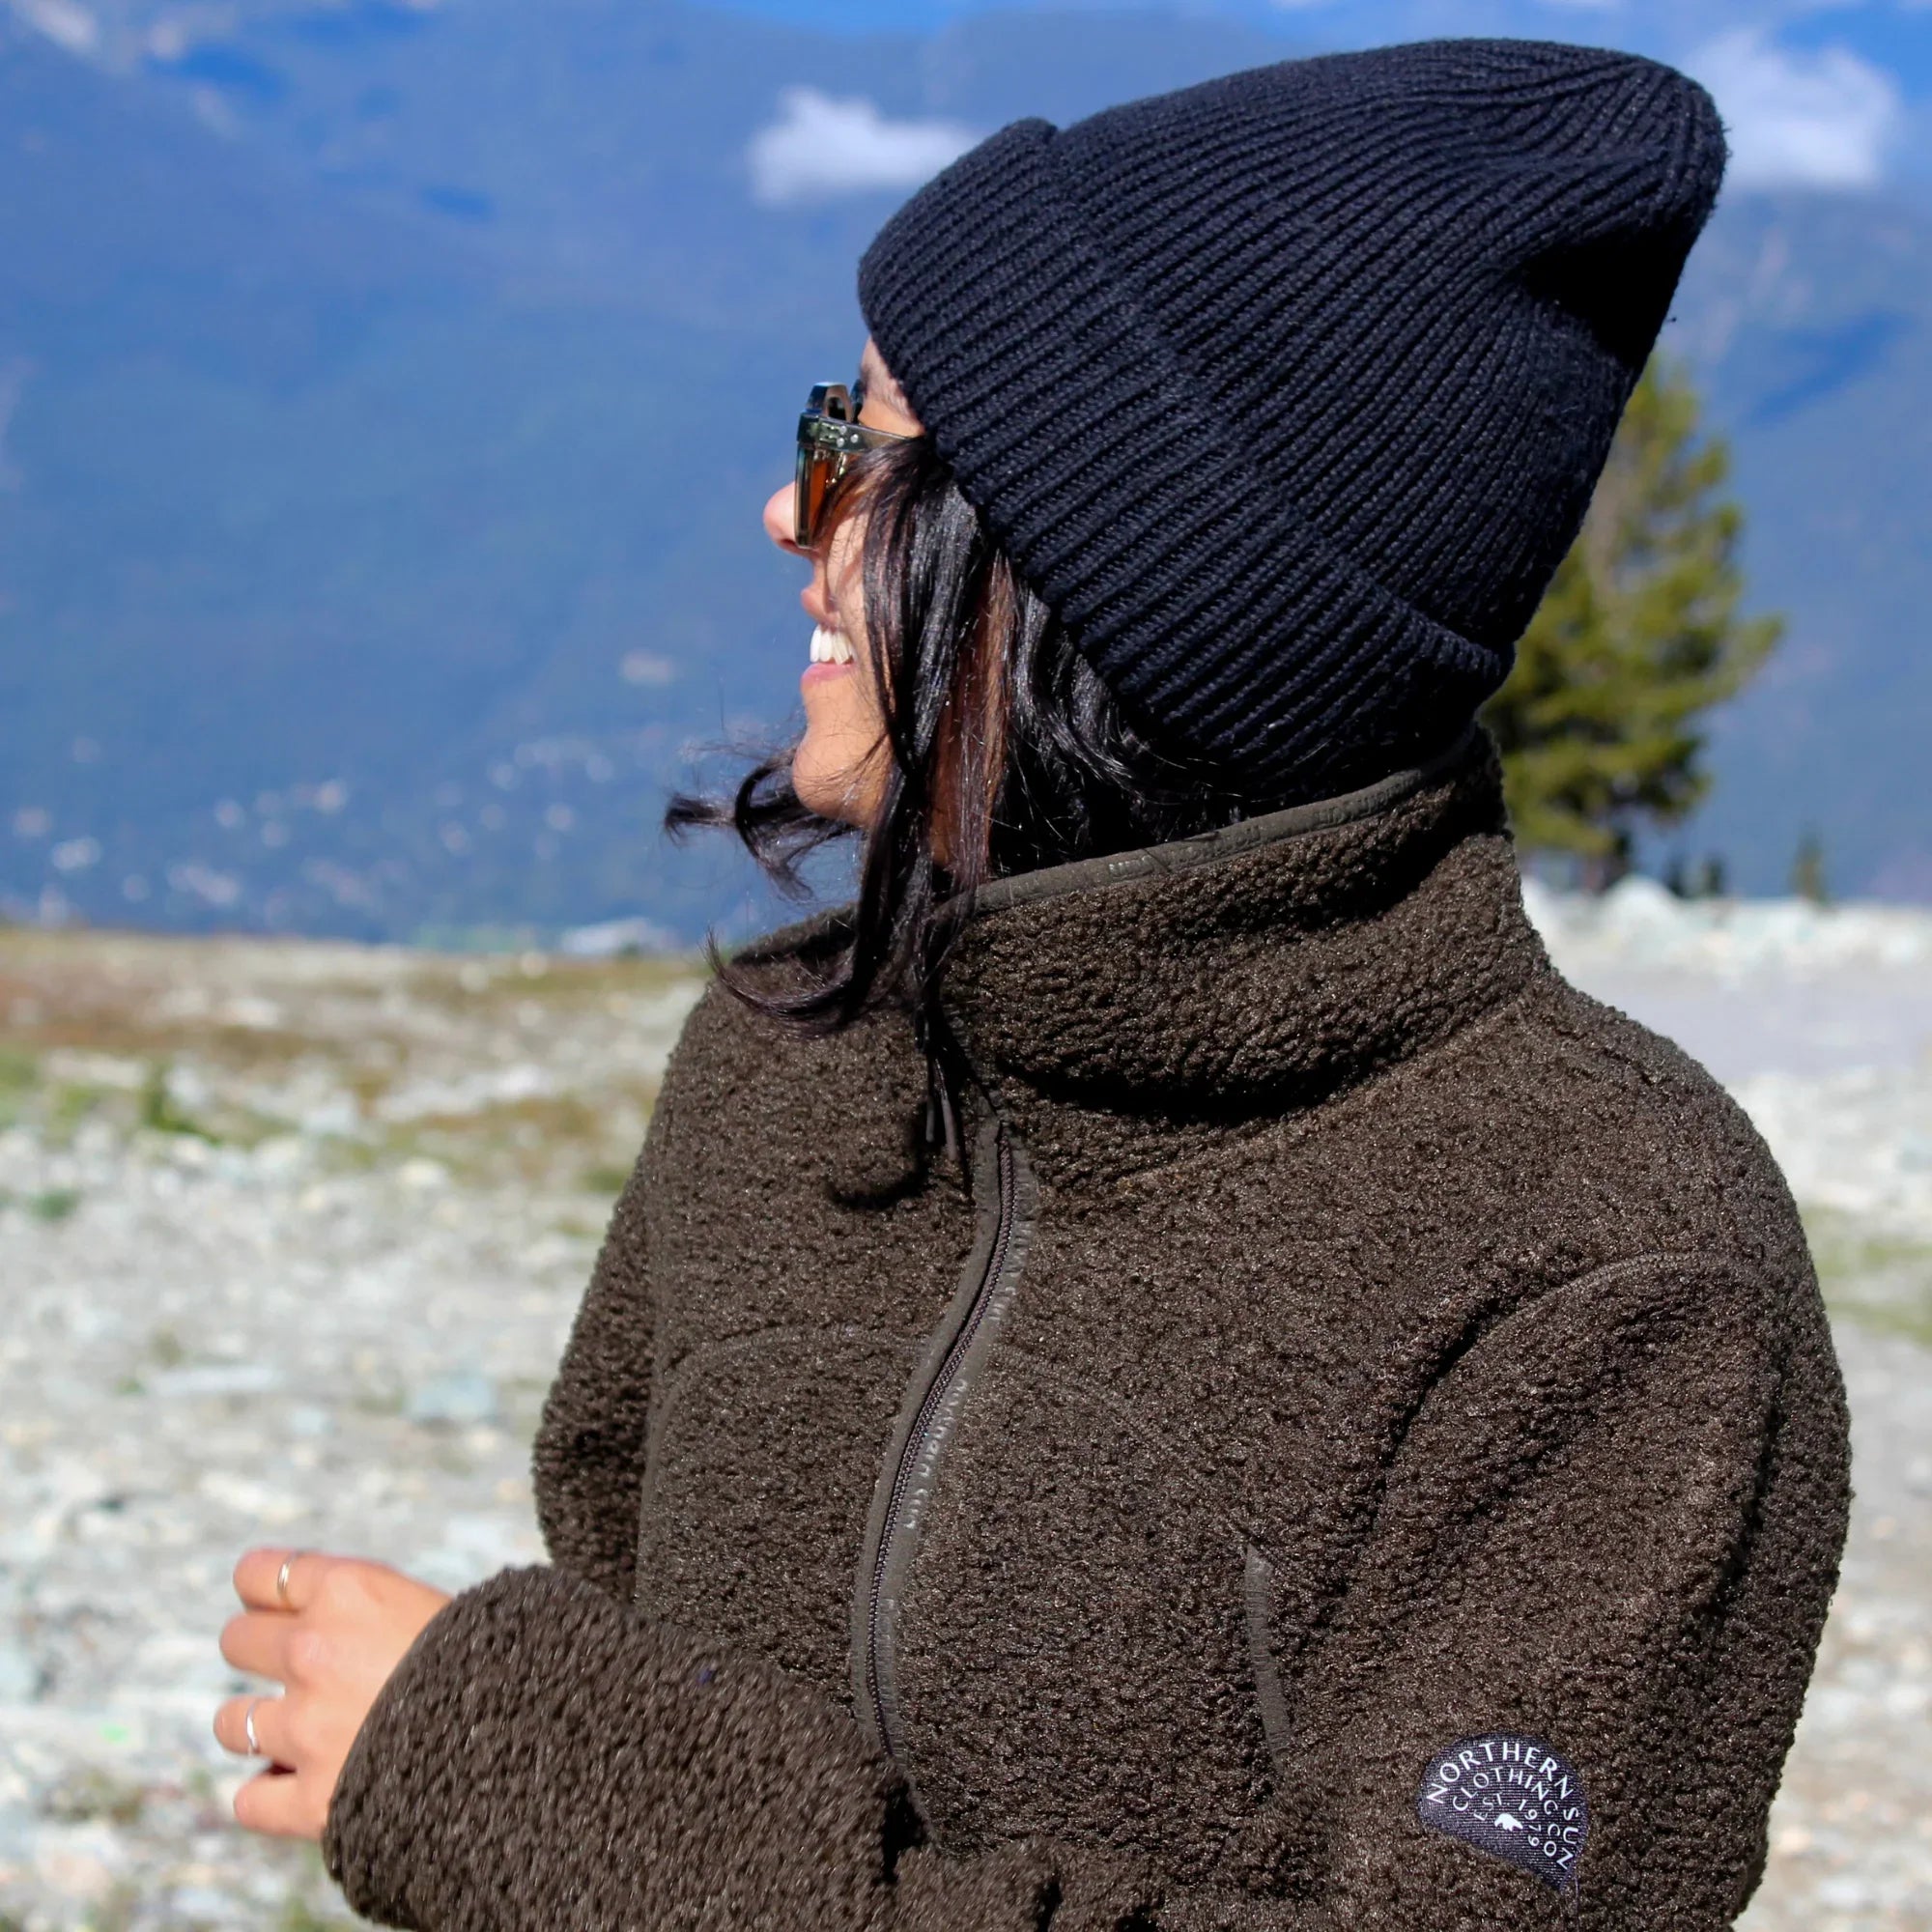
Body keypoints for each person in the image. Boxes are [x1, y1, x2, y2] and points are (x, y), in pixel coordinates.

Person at [213, 38, 1851, 1928]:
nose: (789, 507)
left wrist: (534, 1792)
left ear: (1115, 574)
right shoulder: (782, 1062)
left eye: (864, 444)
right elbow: (626, 1606)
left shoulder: (1610, 1268)